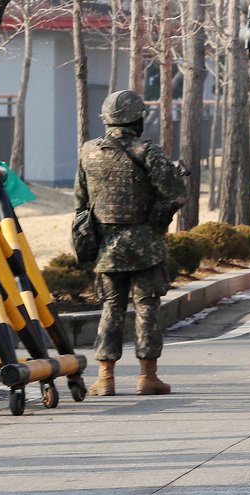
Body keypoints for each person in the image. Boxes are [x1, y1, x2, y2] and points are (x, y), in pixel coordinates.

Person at [75, 89, 187, 396]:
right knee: (146, 307)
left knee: (111, 307)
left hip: (105, 248)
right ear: (137, 118)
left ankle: (105, 378)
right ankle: (147, 377)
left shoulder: (88, 151)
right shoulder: (147, 151)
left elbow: (81, 201)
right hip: (145, 247)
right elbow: (175, 194)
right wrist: (157, 220)